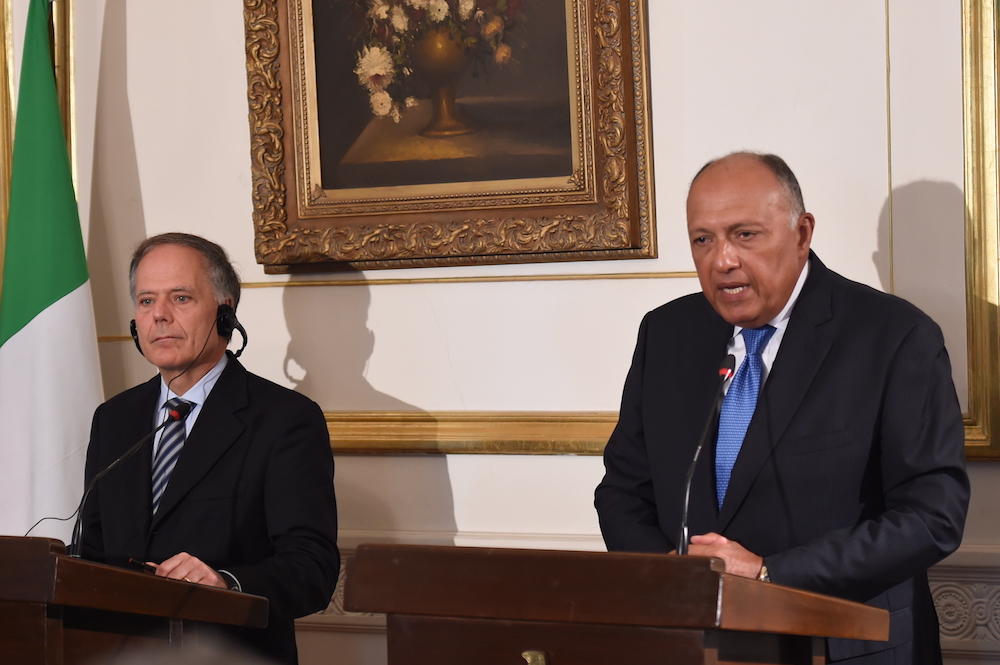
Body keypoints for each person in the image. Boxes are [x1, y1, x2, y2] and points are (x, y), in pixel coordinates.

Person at [594, 152, 969, 664]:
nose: (721, 259)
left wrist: (770, 573)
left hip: (843, 645)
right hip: (693, 641)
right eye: (702, 239)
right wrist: (669, 573)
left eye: (744, 234)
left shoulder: (894, 336)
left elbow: (932, 516)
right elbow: (623, 489)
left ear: (802, 232)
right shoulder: (666, 334)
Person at [79, 233, 339, 665]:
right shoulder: (114, 419)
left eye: (180, 298)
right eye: (146, 301)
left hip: (231, 653)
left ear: (225, 314)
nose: (159, 316)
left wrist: (227, 581)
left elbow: (312, 568)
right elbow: (92, 554)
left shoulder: (284, 419)